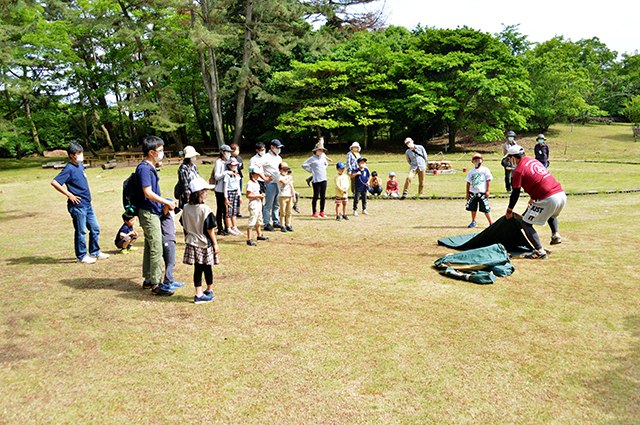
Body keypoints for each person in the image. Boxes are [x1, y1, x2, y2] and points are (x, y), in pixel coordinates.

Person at [51, 142, 110, 264]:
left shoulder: (80, 166)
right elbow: (55, 182)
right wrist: (69, 195)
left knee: (95, 228)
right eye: (78, 153)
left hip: (87, 204)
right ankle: (82, 256)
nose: (81, 155)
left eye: (81, 152)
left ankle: (95, 252)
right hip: (78, 206)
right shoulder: (68, 169)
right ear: (72, 155)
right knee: (81, 231)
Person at [504, 145, 567, 260]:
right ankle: (555, 235)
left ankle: (539, 252)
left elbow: (515, 193)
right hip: (561, 194)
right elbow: (538, 178)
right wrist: (533, 197)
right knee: (551, 214)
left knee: (526, 223)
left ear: (514, 157)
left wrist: (509, 210)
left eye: (510, 158)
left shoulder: (518, 171)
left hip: (549, 198)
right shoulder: (533, 161)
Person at [135, 135, 177, 295]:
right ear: (151, 152)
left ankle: (148, 279)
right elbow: (147, 193)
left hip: (152, 211)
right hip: (148, 213)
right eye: (160, 150)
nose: (163, 153)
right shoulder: (144, 168)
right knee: (156, 248)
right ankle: (156, 284)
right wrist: (166, 202)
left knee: (149, 246)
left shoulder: (149, 168)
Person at [181, 177, 219, 304]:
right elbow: (210, 229)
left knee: (198, 269)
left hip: (191, 242)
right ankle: (207, 291)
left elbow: (183, 224)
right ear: (200, 193)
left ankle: (199, 292)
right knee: (208, 268)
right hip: (204, 243)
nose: (207, 193)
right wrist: (215, 243)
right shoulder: (205, 209)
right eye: (205, 191)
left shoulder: (186, 208)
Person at [160, 198, 185, 290]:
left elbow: (177, 209)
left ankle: (171, 280)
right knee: (171, 263)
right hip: (168, 241)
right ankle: (166, 283)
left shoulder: (170, 214)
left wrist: (174, 203)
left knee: (168, 262)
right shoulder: (164, 214)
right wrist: (168, 203)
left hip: (168, 241)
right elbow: (166, 207)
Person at [210, 144, 233, 236]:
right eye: (227, 152)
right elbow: (217, 176)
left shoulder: (228, 161)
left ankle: (226, 228)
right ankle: (220, 228)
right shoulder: (218, 162)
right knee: (220, 209)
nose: (229, 154)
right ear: (222, 153)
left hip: (227, 189)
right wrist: (226, 173)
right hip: (219, 189)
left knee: (225, 210)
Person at [465, 153, 493, 228]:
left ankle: (491, 222)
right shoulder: (471, 172)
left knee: (485, 207)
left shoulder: (485, 170)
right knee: (473, 207)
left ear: (482, 161)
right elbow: (468, 183)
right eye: (475, 160)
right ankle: (473, 221)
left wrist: (487, 190)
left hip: (482, 192)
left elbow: (488, 180)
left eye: (478, 160)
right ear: (472, 162)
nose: (477, 162)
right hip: (473, 192)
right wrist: (467, 193)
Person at [302, 142, 329, 218]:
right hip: (316, 180)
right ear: (316, 150)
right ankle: (314, 211)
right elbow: (304, 165)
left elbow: (326, 164)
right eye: (319, 150)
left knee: (323, 196)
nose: (321, 151)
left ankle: (322, 211)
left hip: (324, 178)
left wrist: (323, 169)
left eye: (322, 150)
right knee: (316, 196)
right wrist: (311, 170)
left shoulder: (323, 157)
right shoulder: (312, 158)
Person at [262, 139, 284, 231]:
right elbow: (258, 167)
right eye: (277, 147)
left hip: (278, 183)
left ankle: (276, 221)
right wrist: (264, 178)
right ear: (272, 147)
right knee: (268, 205)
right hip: (270, 183)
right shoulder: (266, 157)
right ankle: (266, 223)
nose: (279, 149)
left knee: (276, 204)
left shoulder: (279, 158)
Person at [246, 168, 270, 246]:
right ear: (251, 174)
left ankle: (259, 235)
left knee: (259, 219)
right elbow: (248, 195)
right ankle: (249, 239)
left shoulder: (256, 182)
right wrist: (258, 195)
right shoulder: (250, 183)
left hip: (258, 202)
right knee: (252, 220)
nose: (257, 176)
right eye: (256, 174)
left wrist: (261, 195)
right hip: (253, 202)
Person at [223, 158, 242, 236]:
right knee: (228, 212)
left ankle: (234, 227)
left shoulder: (237, 175)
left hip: (235, 193)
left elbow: (238, 186)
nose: (235, 167)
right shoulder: (227, 175)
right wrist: (226, 198)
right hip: (229, 192)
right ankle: (228, 228)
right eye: (233, 165)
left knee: (234, 211)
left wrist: (239, 195)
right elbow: (225, 187)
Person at [276, 162, 295, 232]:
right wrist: (289, 178)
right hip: (282, 196)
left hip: (289, 196)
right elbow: (284, 182)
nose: (285, 171)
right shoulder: (279, 176)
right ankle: (282, 225)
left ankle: (288, 224)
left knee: (289, 211)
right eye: (283, 169)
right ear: (280, 170)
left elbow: (291, 186)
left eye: (286, 170)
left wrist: (293, 196)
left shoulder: (288, 177)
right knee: (282, 212)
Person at [230, 143, 245, 217]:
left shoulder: (239, 158)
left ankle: (238, 211)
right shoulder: (229, 158)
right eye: (235, 150)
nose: (236, 151)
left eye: (237, 150)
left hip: (239, 178)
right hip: (231, 178)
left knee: (239, 194)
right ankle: (232, 210)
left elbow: (241, 168)